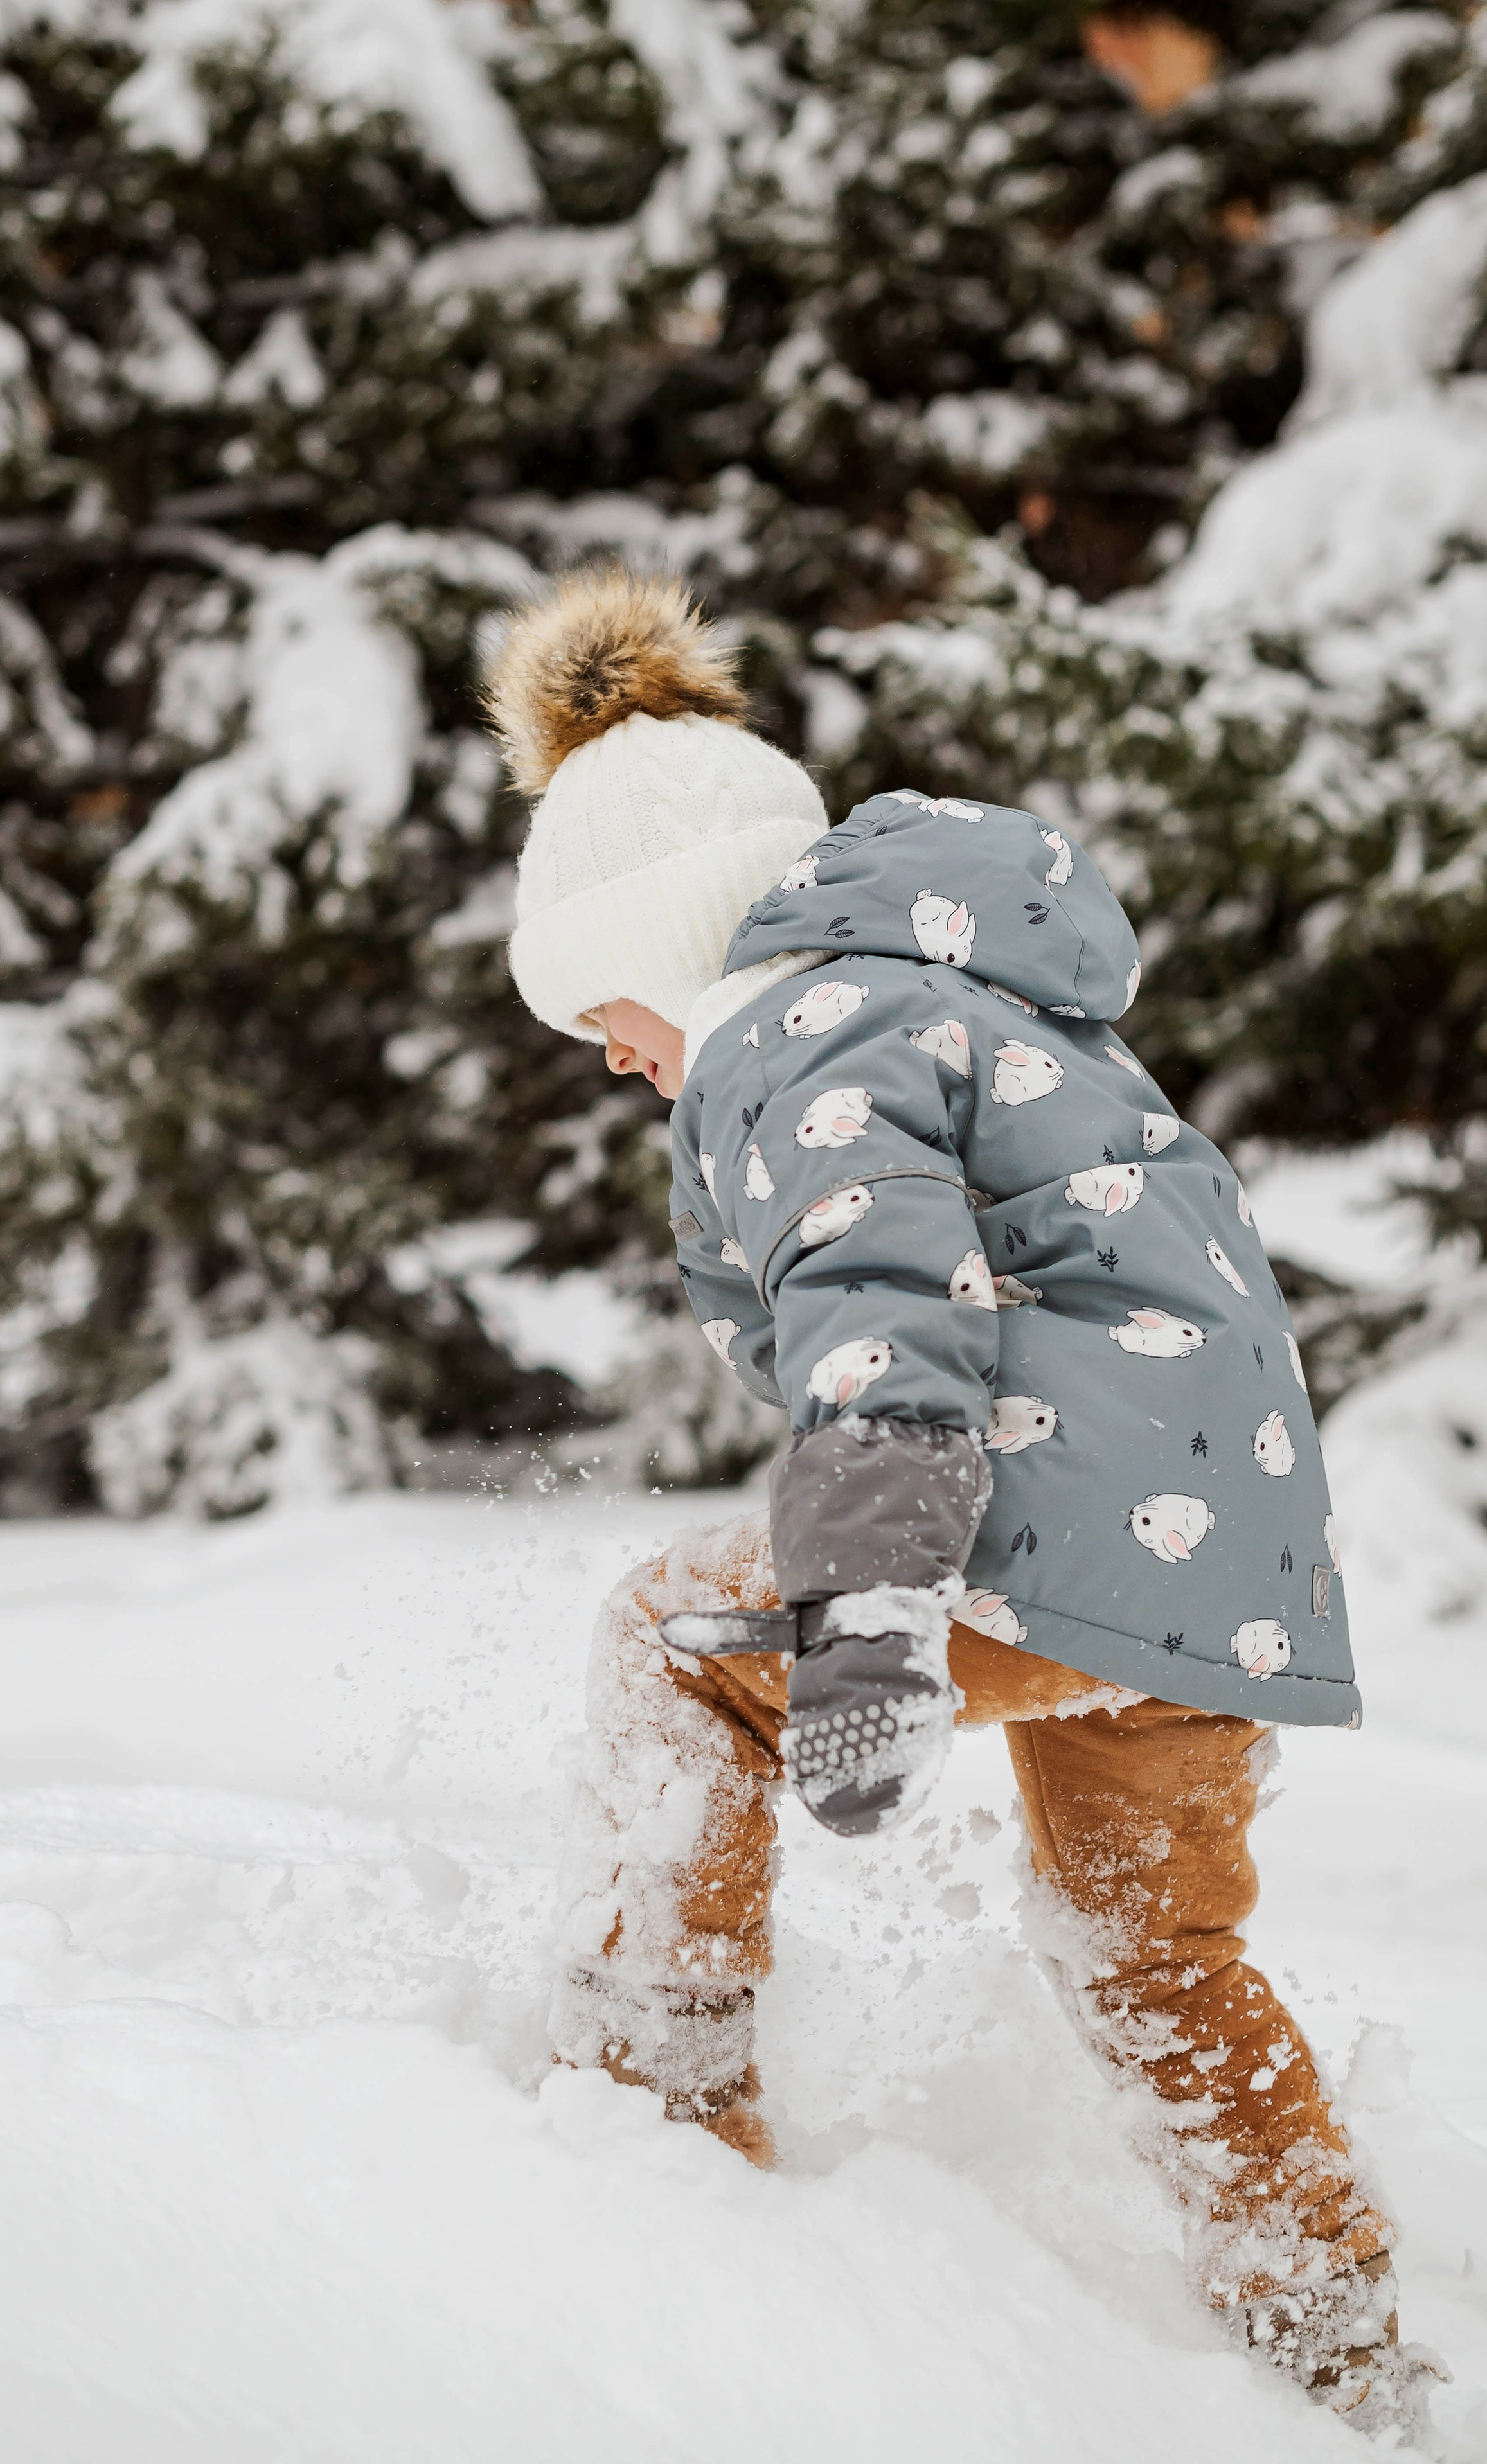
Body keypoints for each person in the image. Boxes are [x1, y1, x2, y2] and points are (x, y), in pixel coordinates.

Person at [486, 566, 1440, 2433]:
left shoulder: (786, 1032)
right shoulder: (1000, 1018)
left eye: (606, 1005)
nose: (614, 1055)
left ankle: (641, 2125)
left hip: (1027, 1513)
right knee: (1148, 1949)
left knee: (676, 1643)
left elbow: (887, 1310)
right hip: (1221, 1577)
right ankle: (1331, 2332)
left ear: (678, 942)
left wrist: (865, 1604)